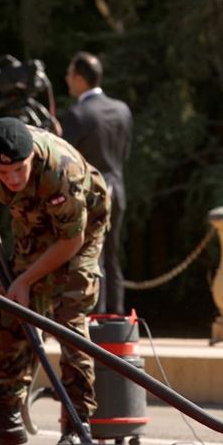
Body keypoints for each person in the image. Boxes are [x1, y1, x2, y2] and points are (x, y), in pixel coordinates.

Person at [0, 117, 109, 445]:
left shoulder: (61, 171)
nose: (10, 179)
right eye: (1, 172)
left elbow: (71, 240)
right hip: (31, 220)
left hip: (81, 226)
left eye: (18, 171)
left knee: (69, 318)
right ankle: (7, 418)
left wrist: (26, 279)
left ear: (32, 159)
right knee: (12, 310)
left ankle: (77, 421)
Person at [59, 51, 132, 314]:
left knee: (92, 259)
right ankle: (117, 322)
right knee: (112, 258)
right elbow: (124, 154)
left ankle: (96, 322)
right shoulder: (122, 110)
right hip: (118, 189)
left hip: (91, 194)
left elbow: (64, 161)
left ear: (79, 79)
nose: (67, 79)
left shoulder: (77, 115)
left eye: (69, 74)